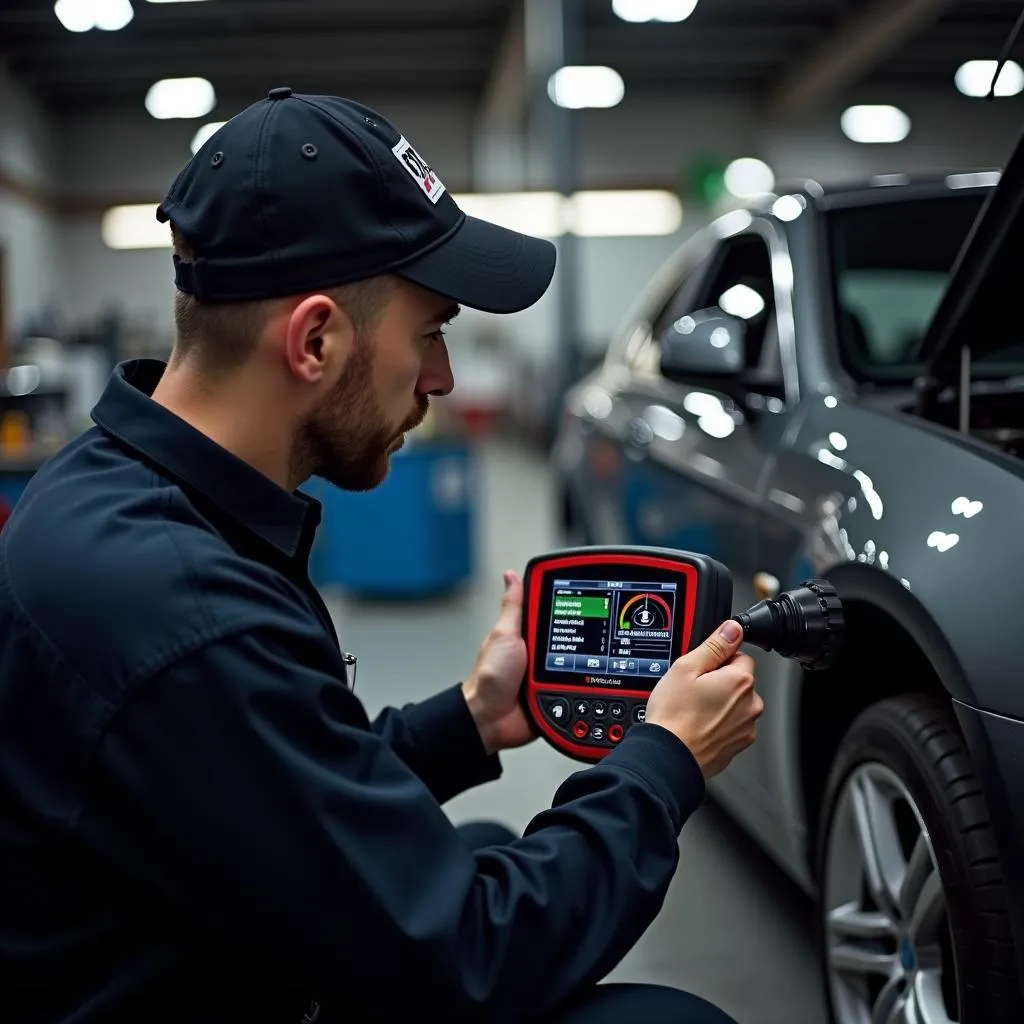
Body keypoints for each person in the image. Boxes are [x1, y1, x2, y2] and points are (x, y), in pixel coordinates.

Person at [0, 89, 764, 1024]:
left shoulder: (118, 487)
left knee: (478, 837)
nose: (441, 377)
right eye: (431, 330)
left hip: (181, 942)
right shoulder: (183, 608)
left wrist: (470, 722)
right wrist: (665, 761)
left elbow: (255, 786)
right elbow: (470, 959)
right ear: (315, 339)